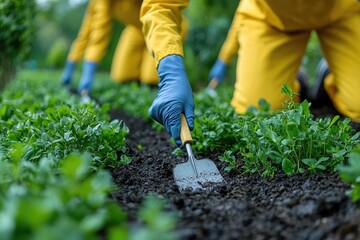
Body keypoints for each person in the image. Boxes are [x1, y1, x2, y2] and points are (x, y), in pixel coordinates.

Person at [139, 0, 360, 148]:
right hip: (271, 17)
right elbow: (161, 4)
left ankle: (333, 77)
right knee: (257, 113)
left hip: (341, 10)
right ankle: (295, 83)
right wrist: (170, 67)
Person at [61, 0, 180, 102]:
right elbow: (92, 32)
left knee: (150, 78)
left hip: (161, 29)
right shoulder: (102, 2)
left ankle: (151, 89)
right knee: (122, 76)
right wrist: (73, 61)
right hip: (136, 30)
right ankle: (137, 83)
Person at [206, 2, 309, 100]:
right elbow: (241, 19)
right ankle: (299, 79)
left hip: (324, 11)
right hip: (271, 16)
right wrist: (224, 59)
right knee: (257, 104)